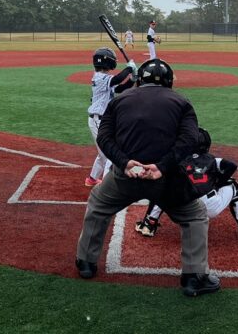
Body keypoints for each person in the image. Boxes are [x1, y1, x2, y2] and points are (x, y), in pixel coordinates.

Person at [75, 58, 220, 297]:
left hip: (125, 176)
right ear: (169, 82)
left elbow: (104, 138)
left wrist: (124, 163)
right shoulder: (182, 102)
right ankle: (194, 278)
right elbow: (190, 141)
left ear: (139, 80)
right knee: (194, 216)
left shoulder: (120, 100)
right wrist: (162, 166)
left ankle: (86, 263)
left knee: (98, 206)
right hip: (167, 179)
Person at [135, 127, 238, 243]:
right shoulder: (212, 159)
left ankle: (148, 225)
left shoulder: (177, 159)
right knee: (234, 185)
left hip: (184, 207)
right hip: (211, 206)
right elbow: (232, 166)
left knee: (164, 186)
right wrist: (217, 182)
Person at [84, 48, 137, 187]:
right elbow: (118, 79)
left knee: (103, 152)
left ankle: (92, 179)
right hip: (98, 120)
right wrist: (129, 68)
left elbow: (120, 88)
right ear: (107, 61)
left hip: (103, 120)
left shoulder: (104, 78)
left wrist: (132, 79)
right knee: (109, 153)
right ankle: (108, 186)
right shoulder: (100, 77)